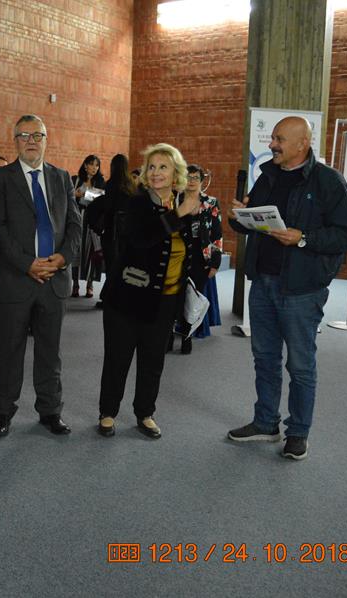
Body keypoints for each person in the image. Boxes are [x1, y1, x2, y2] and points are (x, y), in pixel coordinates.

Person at [226, 116, 347, 460]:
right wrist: (239, 217)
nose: (272, 144)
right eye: (272, 138)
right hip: (263, 282)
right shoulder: (267, 175)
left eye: (280, 139)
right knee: (265, 358)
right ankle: (265, 422)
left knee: (300, 365)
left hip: (302, 289)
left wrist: (303, 238)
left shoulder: (329, 181)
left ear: (303, 143)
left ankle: (298, 432)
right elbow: (254, 224)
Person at [95, 145, 204, 439]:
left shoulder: (182, 204)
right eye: (151, 167)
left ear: (176, 173)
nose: (155, 172)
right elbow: (141, 240)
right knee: (118, 359)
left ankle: (145, 413)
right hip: (127, 299)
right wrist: (180, 213)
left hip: (164, 300)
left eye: (163, 167)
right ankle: (108, 412)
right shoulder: (137, 203)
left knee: (153, 361)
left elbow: (191, 248)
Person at [0, 114, 82, 437]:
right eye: (24, 135)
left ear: (46, 140)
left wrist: (63, 258)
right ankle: (3, 412)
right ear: (15, 141)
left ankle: (50, 411)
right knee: (9, 352)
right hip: (15, 280)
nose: (31, 141)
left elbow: (74, 225)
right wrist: (27, 263)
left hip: (55, 281)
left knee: (50, 352)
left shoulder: (62, 177)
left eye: (37, 135)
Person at [169, 163, 223, 354]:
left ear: (201, 181)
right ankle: (168, 337)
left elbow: (217, 234)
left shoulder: (211, 203)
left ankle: (187, 337)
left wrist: (215, 263)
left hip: (201, 258)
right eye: (188, 177)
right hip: (177, 256)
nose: (191, 181)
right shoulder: (174, 200)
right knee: (173, 297)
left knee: (192, 300)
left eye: (195, 178)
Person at [71, 155, 105, 298]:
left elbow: (102, 199)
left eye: (97, 165)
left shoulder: (101, 182)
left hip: (93, 221)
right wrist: (78, 194)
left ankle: (90, 285)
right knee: (76, 251)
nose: (94, 168)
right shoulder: (75, 180)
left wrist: (84, 194)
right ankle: (75, 284)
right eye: (92, 164)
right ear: (85, 165)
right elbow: (68, 196)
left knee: (92, 252)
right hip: (77, 218)